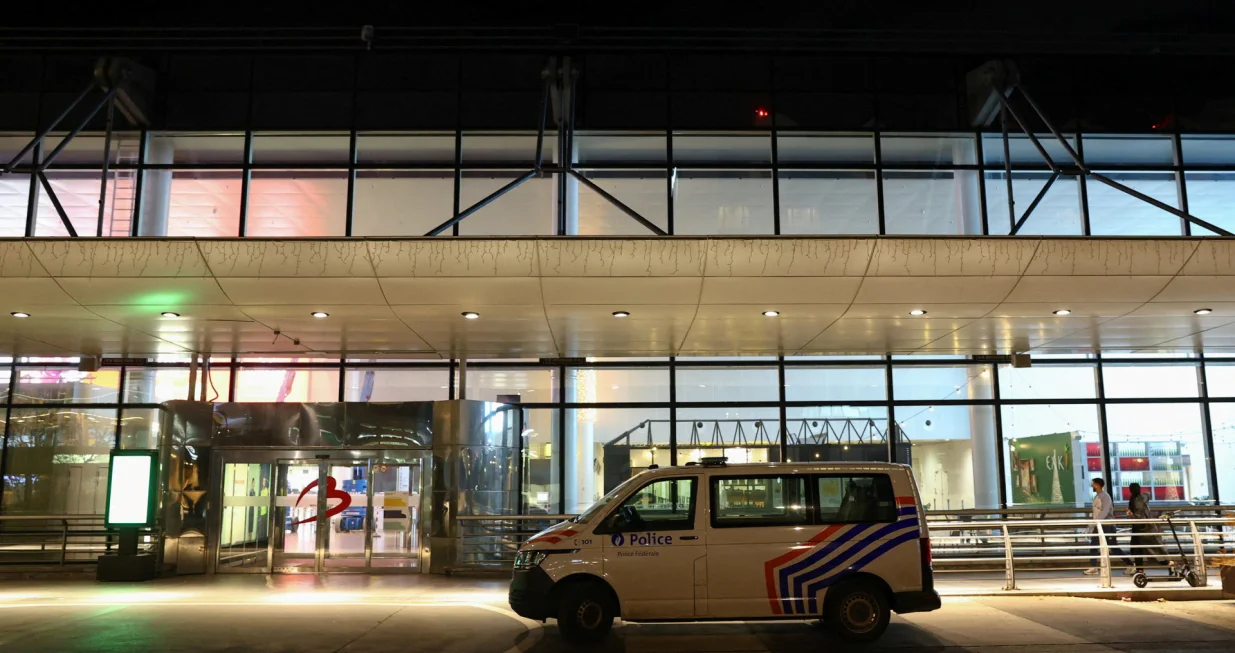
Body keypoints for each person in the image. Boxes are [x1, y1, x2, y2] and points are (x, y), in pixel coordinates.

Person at [1084, 478, 1133, 575]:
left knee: (1113, 547)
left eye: (1093, 484)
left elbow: (1105, 511)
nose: (1092, 486)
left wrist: (1095, 522)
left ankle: (1130, 564)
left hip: (1107, 525)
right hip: (1099, 525)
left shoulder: (1105, 497)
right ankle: (1094, 567)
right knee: (1094, 545)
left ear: (1097, 485)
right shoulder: (1097, 497)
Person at [1127, 482, 1169, 573]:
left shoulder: (1135, 500)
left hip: (1140, 528)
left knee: (1139, 549)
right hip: (1146, 527)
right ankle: (1140, 569)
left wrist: (1131, 514)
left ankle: (1167, 563)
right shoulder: (1143, 497)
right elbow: (1148, 493)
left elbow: (1138, 516)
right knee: (1150, 548)